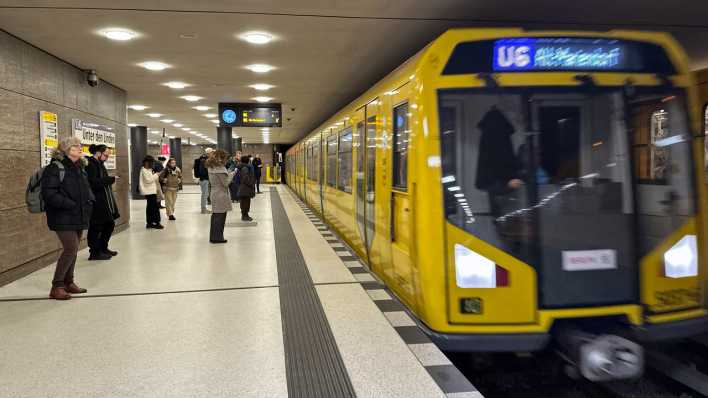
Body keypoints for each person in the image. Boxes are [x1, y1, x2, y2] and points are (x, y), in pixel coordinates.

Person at [41, 136, 93, 300]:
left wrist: (90, 201)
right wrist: (69, 204)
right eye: (75, 146)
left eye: (80, 145)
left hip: (78, 214)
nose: (80, 148)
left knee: (74, 249)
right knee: (70, 248)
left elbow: (85, 189)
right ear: (66, 150)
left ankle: (68, 282)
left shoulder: (79, 167)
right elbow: (49, 193)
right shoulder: (55, 168)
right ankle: (56, 286)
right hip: (62, 215)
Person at [85, 144, 120, 261]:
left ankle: (103, 247)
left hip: (103, 199)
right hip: (96, 201)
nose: (107, 158)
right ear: (98, 153)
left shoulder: (99, 164)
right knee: (96, 226)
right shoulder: (90, 164)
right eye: (106, 155)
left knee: (109, 224)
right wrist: (110, 179)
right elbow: (93, 182)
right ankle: (94, 252)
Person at [206, 149, 235, 243]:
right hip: (220, 194)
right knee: (220, 217)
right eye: (225, 158)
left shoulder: (212, 167)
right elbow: (226, 183)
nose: (226, 160)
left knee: (216, 216)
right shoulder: (220, 169)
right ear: (221, 158)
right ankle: (217, 237)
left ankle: (215, 236)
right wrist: (232, 174)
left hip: (215, 193)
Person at [139, 155, 164, 229]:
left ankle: (150, 222)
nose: (152, 164)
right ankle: (156, 222)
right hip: (149, 192)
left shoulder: (148, 170)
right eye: (151, 162)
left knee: (151, 207)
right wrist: (157, 175)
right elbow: (148, 180)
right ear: (147, 162)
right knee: (154, 208)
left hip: (151, 191)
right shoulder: (144, 170)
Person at [237, 154, 257, 221]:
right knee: (245, 203)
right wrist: (251, 183)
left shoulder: (243, 167)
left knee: (244, 202)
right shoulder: (245, 168)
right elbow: (245, 178)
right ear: (247, 161)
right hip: (245, 188)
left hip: (244, 188)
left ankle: (245, 215)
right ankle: (245, 216)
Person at [194, 148, 213, 214]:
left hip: (204, 179)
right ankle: (203, 209)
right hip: (204, 179)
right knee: (205, 194)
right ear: (209, 153)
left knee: (205, 194)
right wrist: (206, 175)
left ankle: (204, 208)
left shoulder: (203, 159)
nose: (212, 154)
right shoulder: (204, 160)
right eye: (211, 152)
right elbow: (202, 170)